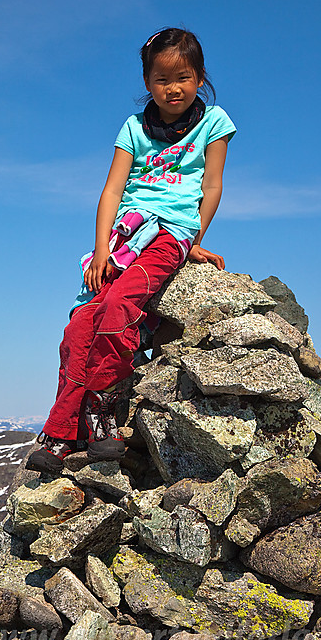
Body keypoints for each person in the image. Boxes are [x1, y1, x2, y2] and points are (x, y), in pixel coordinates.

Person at [28, 27, 236, 472]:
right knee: (81, 323)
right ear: (147, 84)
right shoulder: (133, 128)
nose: (172, 88)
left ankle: (104, 409)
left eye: (182, 77)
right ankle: (63, 425)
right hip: (128, 232)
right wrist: (101, 248)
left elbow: (213, 186)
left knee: (122, 305)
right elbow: (111, 190)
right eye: (161, 80)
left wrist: (191, 243)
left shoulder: (214, 123)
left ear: (199, 77)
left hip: (172, 232)